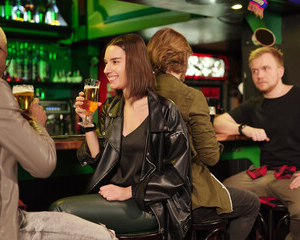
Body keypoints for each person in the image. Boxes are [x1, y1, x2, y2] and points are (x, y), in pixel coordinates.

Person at [0, 16, 116, 240]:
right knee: (103, 236)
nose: (6, 66)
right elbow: (43, 165)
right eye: (6, 56)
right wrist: (36, 123)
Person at [74, 33, 192, 239]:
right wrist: (87, 122)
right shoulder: (111, 108)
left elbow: (177, 175)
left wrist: (130, 191)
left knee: (61, 211)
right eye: (105, 63)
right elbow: (100, 160)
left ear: (135, 63)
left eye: (115, 62)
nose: (106, 70)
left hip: (151, 206)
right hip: (114, 198)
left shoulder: (165, 111)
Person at [147, 27, 260, 240]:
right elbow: (211, 157)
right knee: (251, 203)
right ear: (183, 59)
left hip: (147, 193)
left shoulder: (139, 92)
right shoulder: (191, 96)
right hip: (186, 195)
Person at [214, 46, 300, 240]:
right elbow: (218, 122)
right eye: (255, 71)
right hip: (263, 174)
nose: (259, 75)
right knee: (221, 194)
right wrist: (245, 128)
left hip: (294, 175)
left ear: (280, 71)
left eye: (265, 68)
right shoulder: (254, 105)